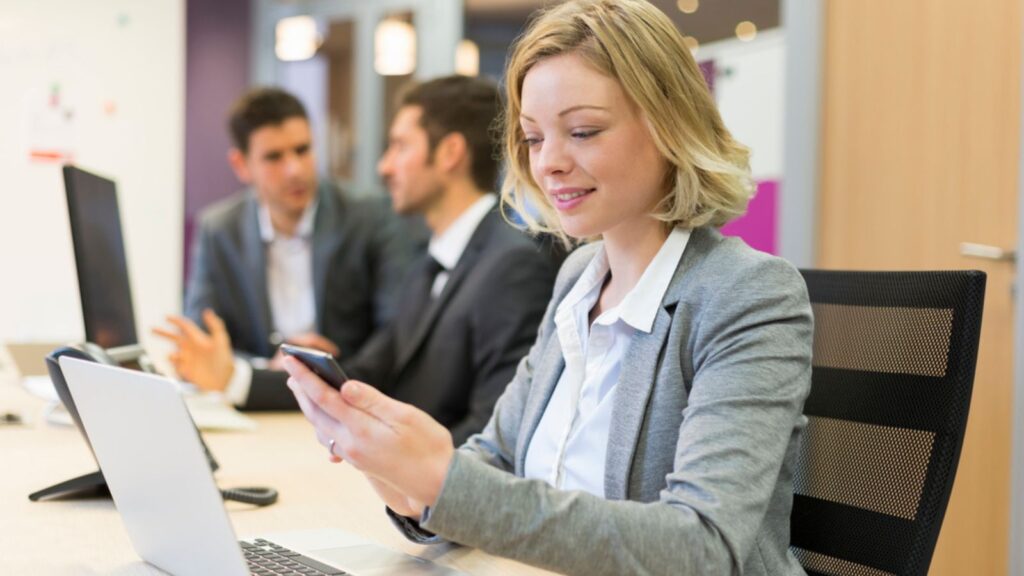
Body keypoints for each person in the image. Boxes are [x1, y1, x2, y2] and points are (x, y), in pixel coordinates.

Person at [283, 1, 813, 574]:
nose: (550, 163)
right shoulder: (577, 281)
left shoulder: (749, 295)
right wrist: (401, 478)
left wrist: (448, 484)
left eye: (582, 131)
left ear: (670, 126)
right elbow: (496, 459)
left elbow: (703, 545)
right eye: (534, 139)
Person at [155, 87, 414, 410]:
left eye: (302, 150)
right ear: (241, 165)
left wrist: (321, 365)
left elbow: (397, 334)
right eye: (274, 157)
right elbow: (205, 345)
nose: (294, 169)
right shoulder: (219, 229)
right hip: (258, 409)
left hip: (352, 403)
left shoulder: (372, 217)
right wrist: (269, 371)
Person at [342, 75, 557, 445]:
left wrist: (395, 465)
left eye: (399, 147)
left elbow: (493, 432)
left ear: (450, 153)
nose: (384, 167)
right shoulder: (432, 257)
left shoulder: (512, 266)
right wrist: (253, 380)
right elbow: (365, 372)